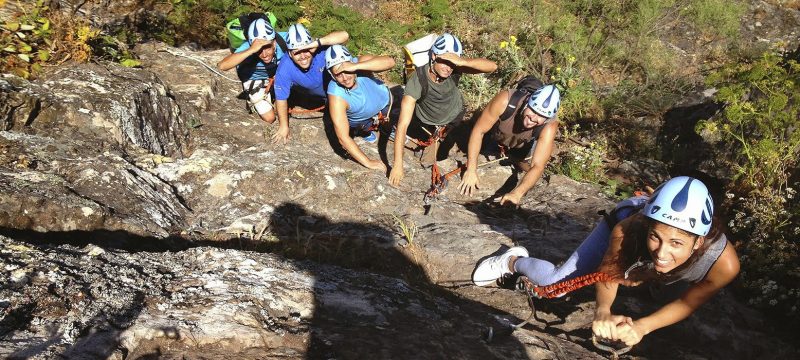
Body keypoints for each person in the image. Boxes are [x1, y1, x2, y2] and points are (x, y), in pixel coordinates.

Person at [472, 176, 740, 346]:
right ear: (647, 228)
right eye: (656, 237)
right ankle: (512, 261)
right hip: (627, 222)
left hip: (667, 266)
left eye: (677, 244)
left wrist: (642, 327)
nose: (661, 252)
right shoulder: (627, 230)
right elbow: (608, 274)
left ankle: (651, 278)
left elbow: (687, 302)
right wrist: (602, 311)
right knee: (557, 284)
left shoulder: (723, 264)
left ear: (699, 243)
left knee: (661, 300)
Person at [388, 33, 497, 186]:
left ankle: (442, 140)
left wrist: (461, 61)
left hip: (454, 115)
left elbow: (492, 66)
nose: (448, 68)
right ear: (433, 56)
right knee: (428, 162)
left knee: (446, 143)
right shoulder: (418, 80)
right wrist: (398, 164)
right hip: (428, 122)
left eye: (452, 63)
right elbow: (402, 125)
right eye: (444, 61)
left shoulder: (455, 68)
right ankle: (432, 142)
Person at [458, 84, 561, 206]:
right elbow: (479, 131)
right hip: (495, 136)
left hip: (522, 144)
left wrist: (517, 193)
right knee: (484, 149)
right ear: (527, 102)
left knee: (523, 166)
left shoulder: (549, 125)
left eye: (542, 116)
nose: (534, 118)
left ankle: (515, 159)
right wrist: (471, 169)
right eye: (533, 110)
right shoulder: (506, 100)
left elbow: (538, 165)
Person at [272, 23, 349, 144]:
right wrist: (283, 126)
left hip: (340, 91)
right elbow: (281, 98)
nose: (303, 56)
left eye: (306, 50)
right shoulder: (285, 67)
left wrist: (318, 43)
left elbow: (344, 35)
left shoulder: (322, 51)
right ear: (290, 54)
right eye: (297, 52)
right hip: (324, 97)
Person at [325, 45, 396, 172]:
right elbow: (343, 137)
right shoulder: (336, 95)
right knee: (361, 125)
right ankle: (366, 132)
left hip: (386, 104)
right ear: (332, 75)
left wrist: (356, 66)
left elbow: (390, 62)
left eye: (347, 70)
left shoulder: (360, 64)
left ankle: (389, 128)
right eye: (338, 74)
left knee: (393, 117)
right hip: (363, 121)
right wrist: (368, 162)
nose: (345, 78)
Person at [217, 18, 286, 124]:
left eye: (267, 48)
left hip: (278, 76)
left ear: (274, 43)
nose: (264, 54)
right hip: (255, 79)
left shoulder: (284, 40)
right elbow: (222, 66)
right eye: (259, 50)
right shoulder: (247, 48)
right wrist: (251, 50)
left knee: (281, 109)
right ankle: (254, 98)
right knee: (270, 118)